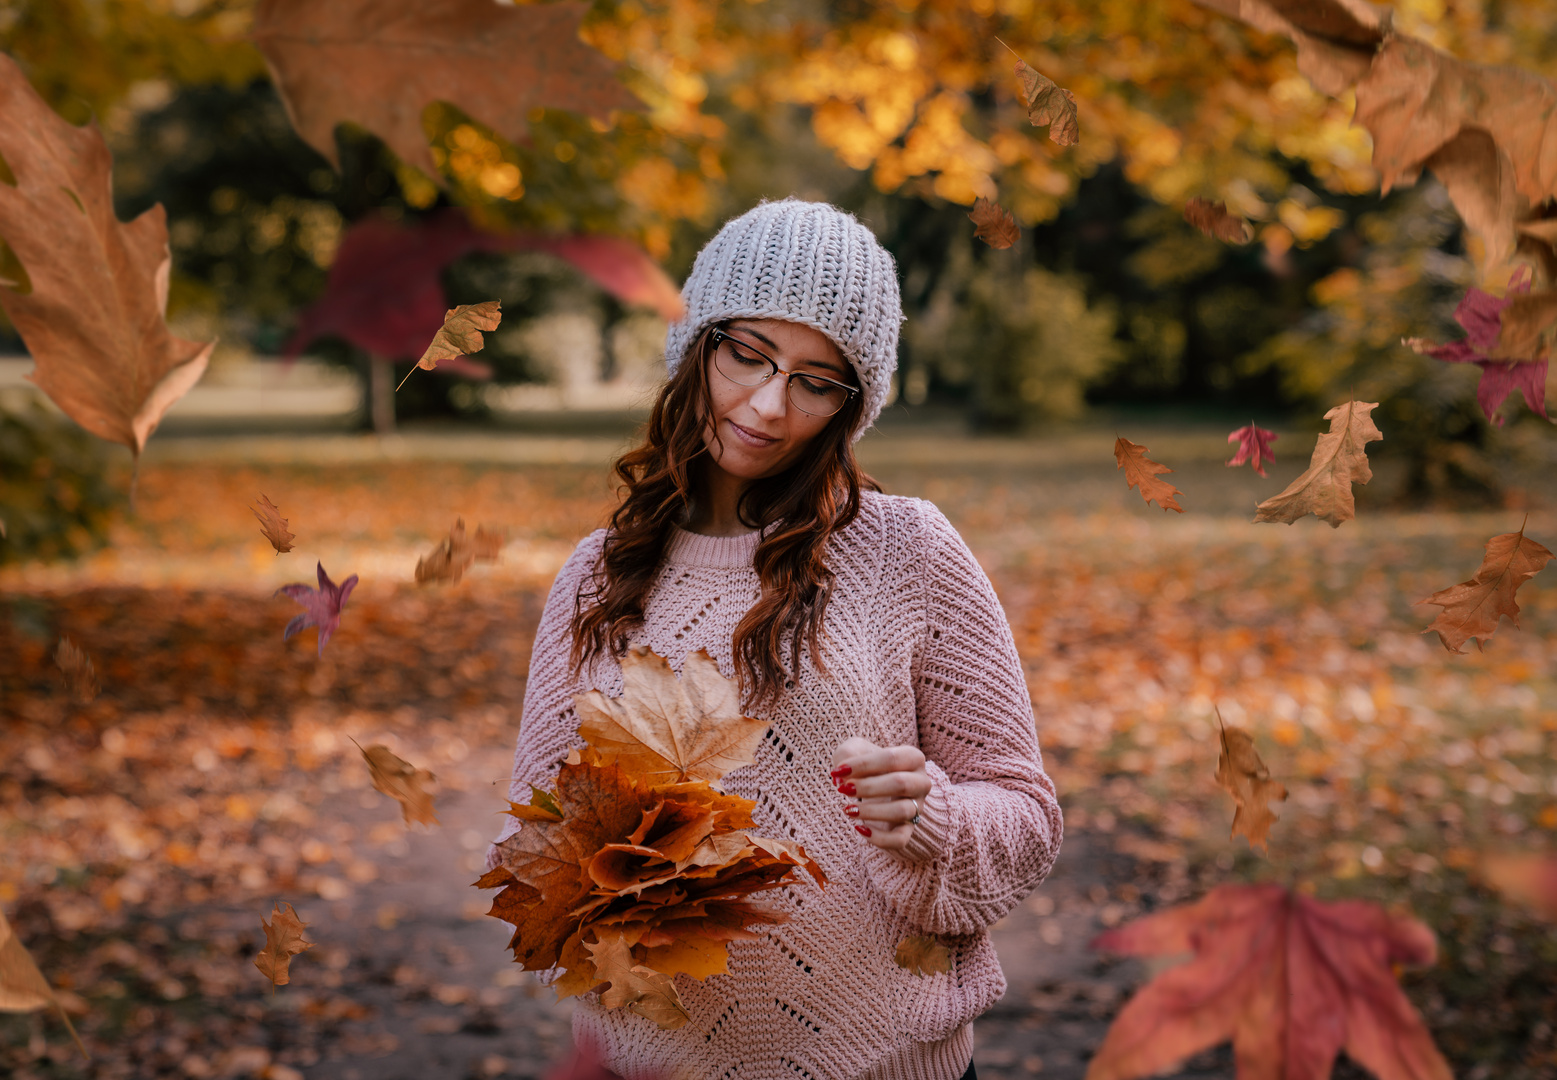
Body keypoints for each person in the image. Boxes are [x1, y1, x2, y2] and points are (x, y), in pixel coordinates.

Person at [488, 198, 1062, 1080]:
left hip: (887, 1060)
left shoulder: (905, 549)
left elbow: (1024, 816)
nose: (766, 405)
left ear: (849, 403)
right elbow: (538, 845)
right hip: (657, 1063)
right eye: (747, 355)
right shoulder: (598, 575)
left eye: (814, 379)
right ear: (698, 344)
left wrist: (934, 821)